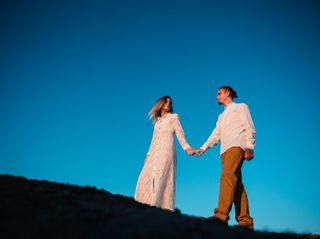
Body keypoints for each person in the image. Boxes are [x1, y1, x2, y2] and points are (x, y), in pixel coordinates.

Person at [196, 86, 256, 230]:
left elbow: (250, 127)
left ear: (227, 93)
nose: (217, 96)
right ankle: (245, 222)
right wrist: (204, 147)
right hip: (224, 151)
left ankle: (221, 216)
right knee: (237, 185)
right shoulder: (221, 116)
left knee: (227, 177)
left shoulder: (241, 107)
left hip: (237, 146)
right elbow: (216, 134)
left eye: (219, 93)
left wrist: (250, 146)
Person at [135, 96, 195, 211]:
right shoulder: (157, 122)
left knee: (162, 179)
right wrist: (148, 155)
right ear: (161, 104)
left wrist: (187, 148)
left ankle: (160, 209)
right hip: (153, 155)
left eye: (170, 102)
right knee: (144, 177)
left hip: (166, 151)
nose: (168, 103)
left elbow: (180, 134)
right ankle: (145, 206)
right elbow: (154, 139)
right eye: (166, 101)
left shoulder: (174, 117)